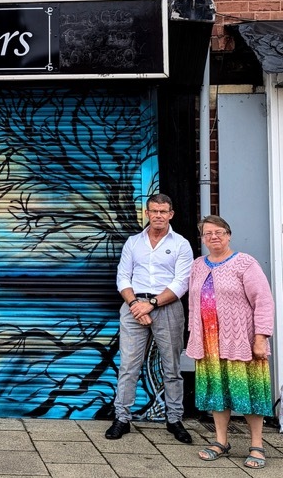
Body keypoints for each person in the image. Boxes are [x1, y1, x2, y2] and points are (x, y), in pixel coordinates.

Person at [105, 193, 194, 443]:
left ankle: (174, 419)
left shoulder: (181, 244)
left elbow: (181, 282)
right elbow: (123, 277)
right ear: (147, 213)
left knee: (172, 367)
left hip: (167, 307)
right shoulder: (133, 242)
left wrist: (151, 305)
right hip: (133, 307)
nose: (158, 215)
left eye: (163, 211)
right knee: (128, 366)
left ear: (171, 214)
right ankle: (122, 418)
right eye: (154, 211)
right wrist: (135, 305)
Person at [187, 215, 274, 469]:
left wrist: (260, 338)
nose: (214, 237)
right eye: (208, 233)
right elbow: (194, 305)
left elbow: (263, 302)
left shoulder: (245, 263)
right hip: (209, 344)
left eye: (219, 232)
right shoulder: (197, 265)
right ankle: (221, 441)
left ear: (229, 234)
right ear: (203, 238)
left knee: (249, 392)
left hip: (241, 342)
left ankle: (257, 445)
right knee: (217, 394)